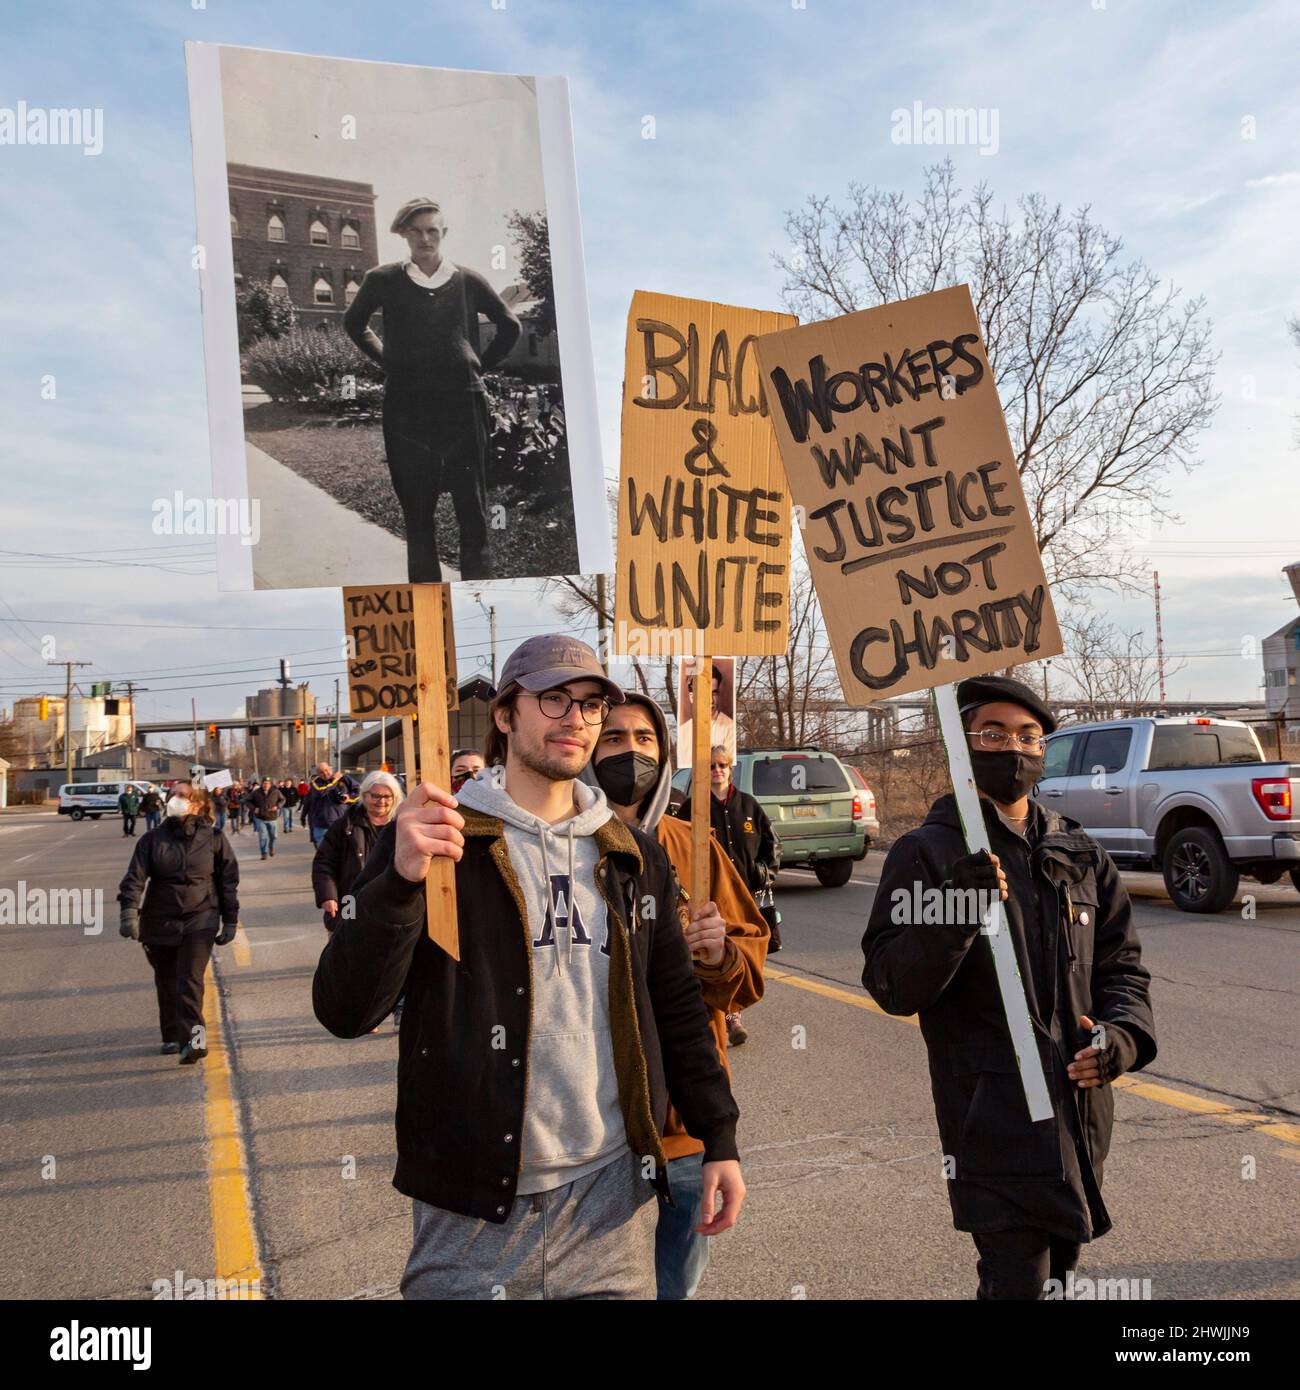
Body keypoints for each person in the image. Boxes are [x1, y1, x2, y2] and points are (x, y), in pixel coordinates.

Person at [313, 635, 745, 1300]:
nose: (576, 718)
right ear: (506, 716)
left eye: (591, 704)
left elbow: (675, 1005)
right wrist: (397, 884)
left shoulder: (631, 855)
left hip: (610, 1205)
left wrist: (719, 1135)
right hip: (471, 1212)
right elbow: (346, 1009)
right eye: (553, 700)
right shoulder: (441, 841)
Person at [861, 675, 1157, 1301]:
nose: (1014, 748)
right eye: (992, 733)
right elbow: (892, 984)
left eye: (1029, 736)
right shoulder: (929, 853)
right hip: (990, 1119)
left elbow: (1122, 968)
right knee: (1015, 1283)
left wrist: (1122, 1039)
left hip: (1077, 1120)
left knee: (1059, 1279)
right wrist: (953, 915)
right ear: (963, 746)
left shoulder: (1078, 851)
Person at [588, 690, 767, 1300]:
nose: (630, 752)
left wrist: (719, 954)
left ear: (665, 754)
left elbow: (751, 961)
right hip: (596, 1117)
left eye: (644, 740)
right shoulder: (559, 845)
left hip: (686, 1116)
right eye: (613, 738)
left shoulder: (692, 845)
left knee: (678, 1279)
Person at [343, 197, 522, 582]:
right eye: (417, 231)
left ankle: (480, 592)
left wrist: (476, 364)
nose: (425, 238)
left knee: (473, 509)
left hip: (463, 404)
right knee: (417, 512)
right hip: (407, 407)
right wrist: (388, 358)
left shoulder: (468, 280)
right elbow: (354, 322)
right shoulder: (383, 279)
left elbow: (510, 326)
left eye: (433, 231)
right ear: (404, 233)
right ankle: (426, 599)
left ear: (443, 233)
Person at [118, 785, 240, 1063]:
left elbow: (228, 882)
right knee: (167, 978)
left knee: (190, 979)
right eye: (173, 794)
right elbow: (134, 879)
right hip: (159, 919)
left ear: (197, 804)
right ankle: (172, 1035)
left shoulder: (214, 838)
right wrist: (129, 913)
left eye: (183, 795)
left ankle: (195, 1041)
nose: (176, 799)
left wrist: (230, 920)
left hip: (201, 918)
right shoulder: (151, 840)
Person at [675, 745, 778, 1046]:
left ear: (731, 769)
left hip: (743, 896)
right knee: (714, 957)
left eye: (723, 765)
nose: (717, 770)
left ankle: (734, 1011)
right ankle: (727, 1017)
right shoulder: (692, 809)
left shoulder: (749, 806)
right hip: (709, 901)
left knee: (744, 953)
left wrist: (765, 873)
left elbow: (771, 847)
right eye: (711, 766)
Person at [305, 762, 358, 847]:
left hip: (342, 823)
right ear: (317, 774)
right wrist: (334, 780)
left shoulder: (345, 778)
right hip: (322, 826)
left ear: (331, 769)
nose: (325, 773)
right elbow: (321, 791)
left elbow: (357, 792)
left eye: (326, 770)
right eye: (321, 772)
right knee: (324, 855)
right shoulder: (315, 783)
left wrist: (349, 797)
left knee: (343, 854)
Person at [248, 775, 285, 861]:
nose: (266, 785)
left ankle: (271, 847)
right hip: (260, 818)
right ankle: (264, 853)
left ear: (271, 784)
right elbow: (247, 800)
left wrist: (278, 806)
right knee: (263, 837)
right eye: (265, 783)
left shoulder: (276, 792)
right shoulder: (256, 792)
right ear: (262, 783)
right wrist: (254, 808)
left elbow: (283, 799)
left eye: (268, 783)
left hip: (272, 818)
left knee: (274, 836)